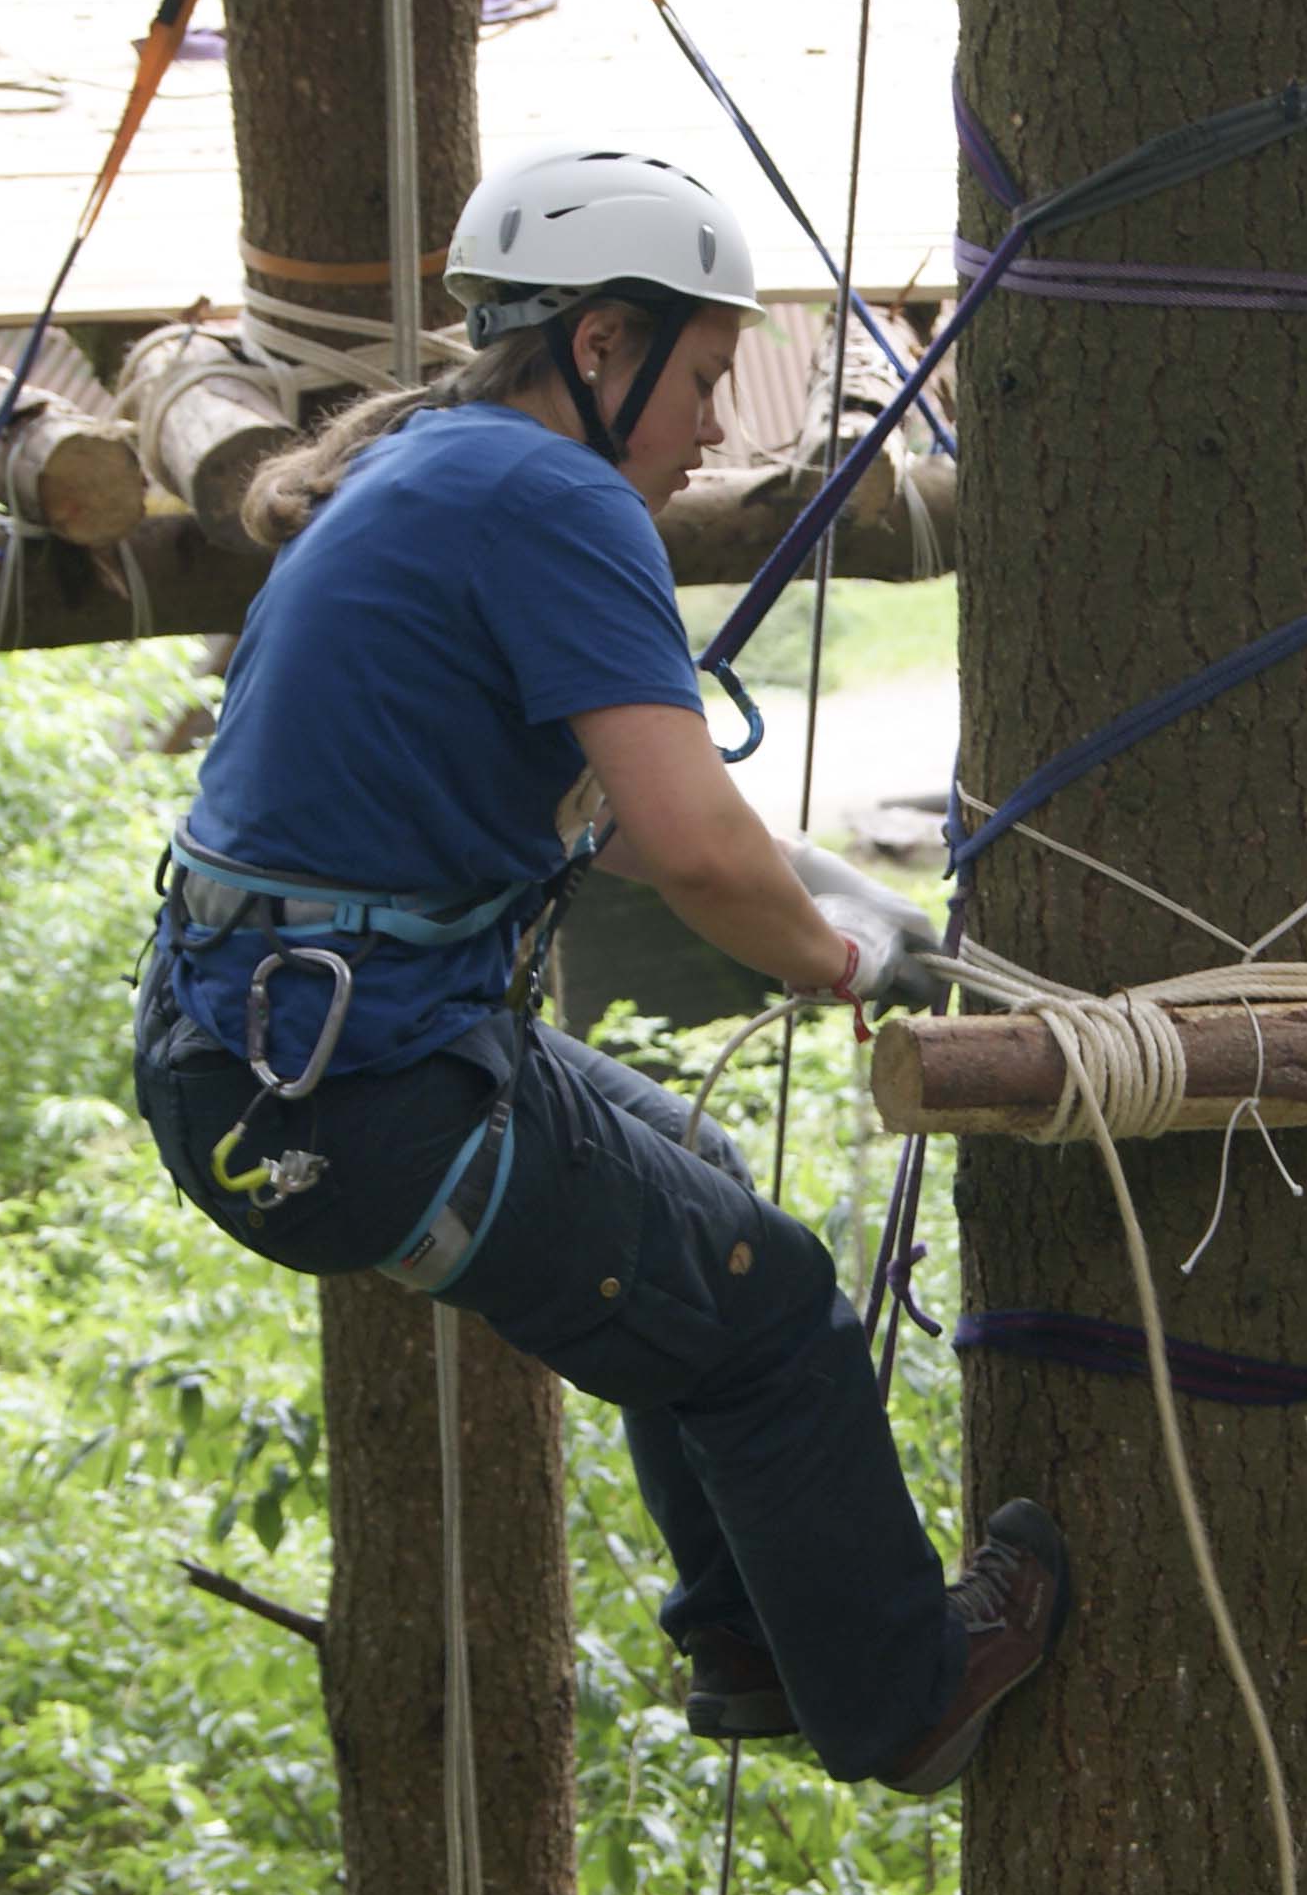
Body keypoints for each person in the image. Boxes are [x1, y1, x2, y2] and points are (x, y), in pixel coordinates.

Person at [132, 145, 1066, 1794]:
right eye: (704, 375)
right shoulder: (551, 498)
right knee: (769, 1309)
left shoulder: (439, 471)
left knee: (693, 1182)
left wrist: (807, 905)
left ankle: (748, 1633)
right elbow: (695, 849)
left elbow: (617, 829)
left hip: (298, 1052)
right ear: (603, 345)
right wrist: (830, 954)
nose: (714, 428)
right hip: (353, 1088)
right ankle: (901, 1700)